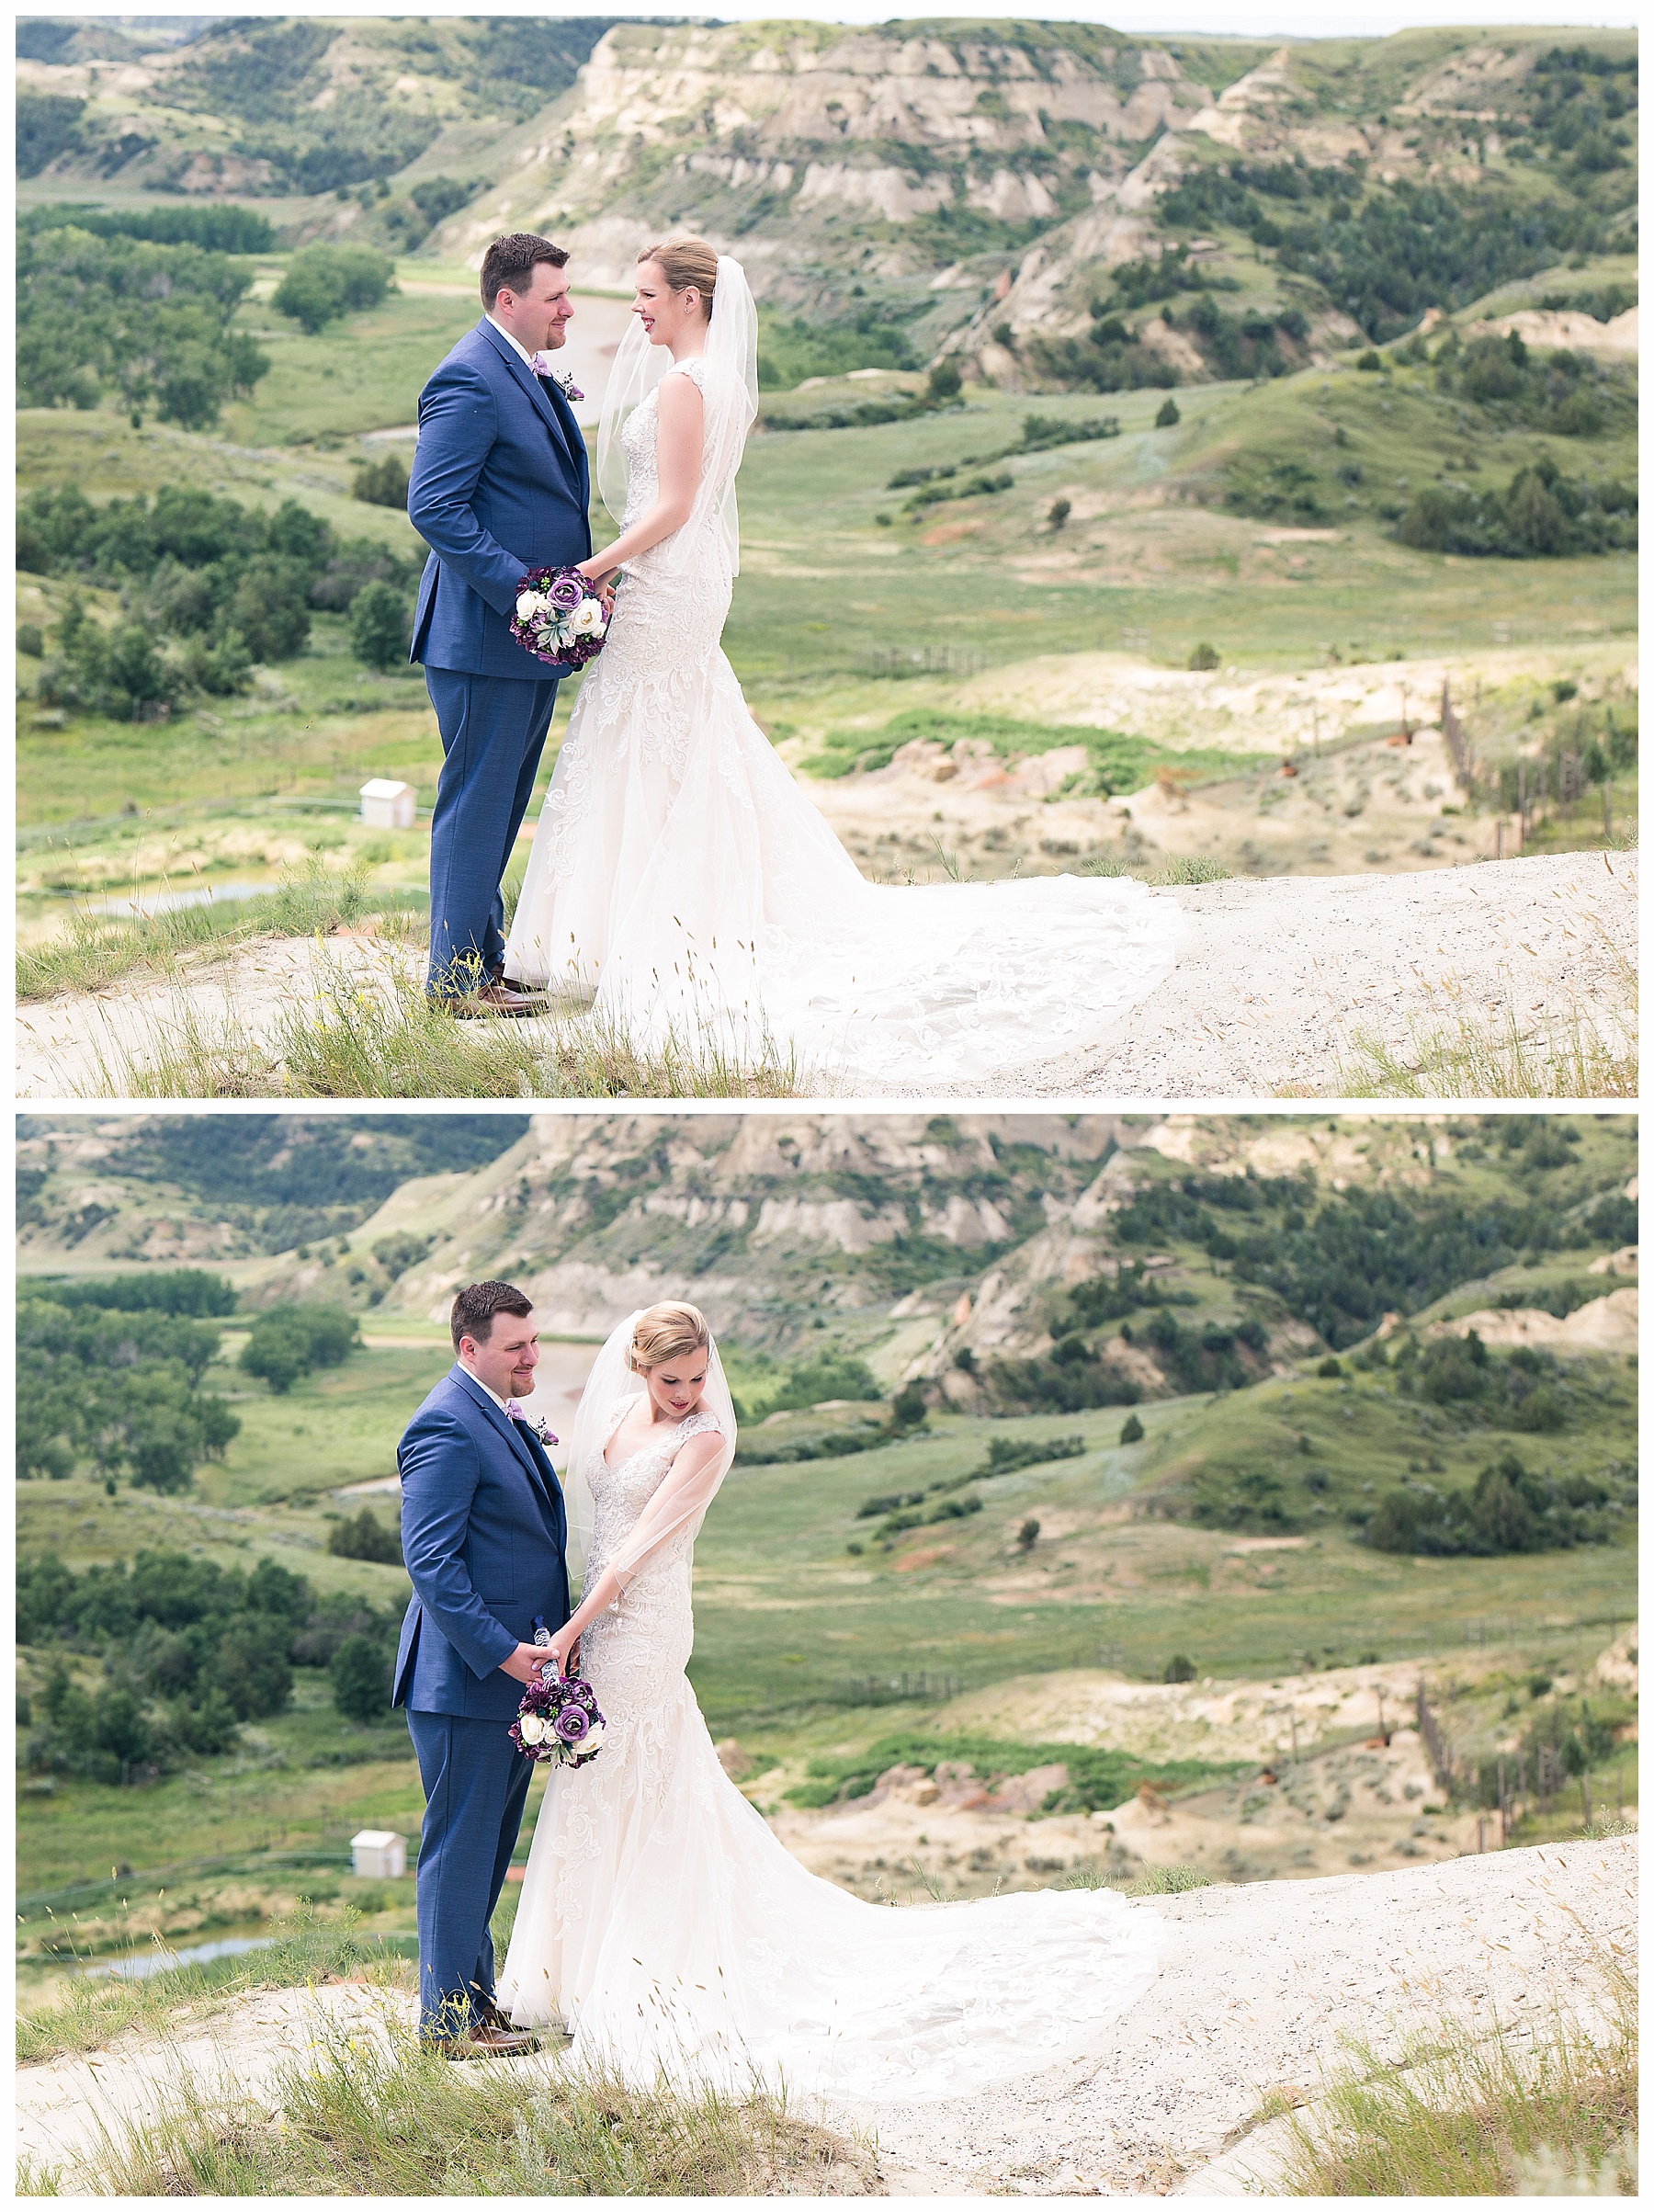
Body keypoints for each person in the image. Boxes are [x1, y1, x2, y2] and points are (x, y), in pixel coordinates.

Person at [503, 235, 1184, 1087]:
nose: (634, 308)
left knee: (645, 728)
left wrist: (591, 571)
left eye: (646, 293)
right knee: (673, 729)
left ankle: (646, 934)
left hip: (664, 576)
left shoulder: (685, 385)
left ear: (691, 300)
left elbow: (673, 504)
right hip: (684, 577)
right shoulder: (724, 383)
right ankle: (644, 925)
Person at [496, 1300, 1161, 2100]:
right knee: (597, 1768)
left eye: (700, 1375)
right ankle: (570, 1972)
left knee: (637, 1763)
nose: (688, 1391)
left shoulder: (704, 1437)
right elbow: (590, 1513)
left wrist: (568, 1631)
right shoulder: (606, 1414)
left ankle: (647, 1964)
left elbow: (636, 1554)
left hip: (642, 1619)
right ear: (639, 1369)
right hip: (595, 1620)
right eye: (671, 1379)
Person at [408, 234, 591, 1015]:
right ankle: (453, 985)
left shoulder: (518, 367)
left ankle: (481, 962)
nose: (569, 309)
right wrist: (525, 593)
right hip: (488, 634)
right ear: (507, 300)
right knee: (476, 805)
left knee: (499, 806)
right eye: (555, 297)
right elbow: (433, 506)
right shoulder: (470, 377)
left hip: (522, 640)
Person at [392, 1281, 571, 2053]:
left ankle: (475, 2005)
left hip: (507, 1680)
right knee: (458, 1850)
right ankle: (445, 2026)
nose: (532, 1356)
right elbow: (429, 1561)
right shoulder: (445, 1422)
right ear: (471, 1348)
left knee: (487, 1853)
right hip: (466, 1678)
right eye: (515, 1346)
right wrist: (504, 1653)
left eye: (534, 1341)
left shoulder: (493, 1410)